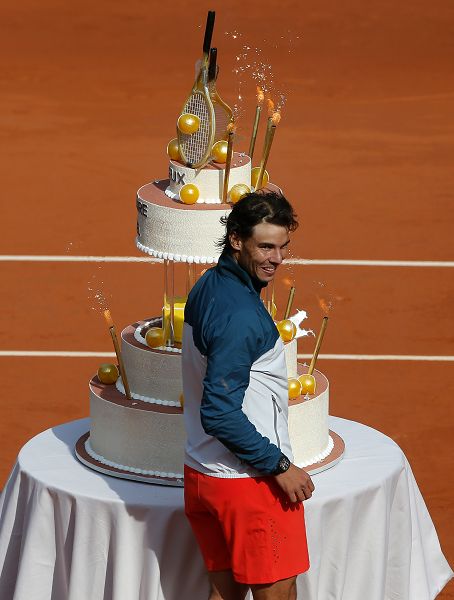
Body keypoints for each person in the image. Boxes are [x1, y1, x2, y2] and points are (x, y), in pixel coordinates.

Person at [182, 191, 314, 600]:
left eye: (282, 248)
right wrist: (279, 466)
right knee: (279, 592)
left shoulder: (209, 284)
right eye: (266, 247)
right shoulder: (239, 315)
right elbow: (220, 412)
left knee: (224, 594)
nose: (276, 259)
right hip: (249, 484)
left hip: (204, 474)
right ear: (237, 240)